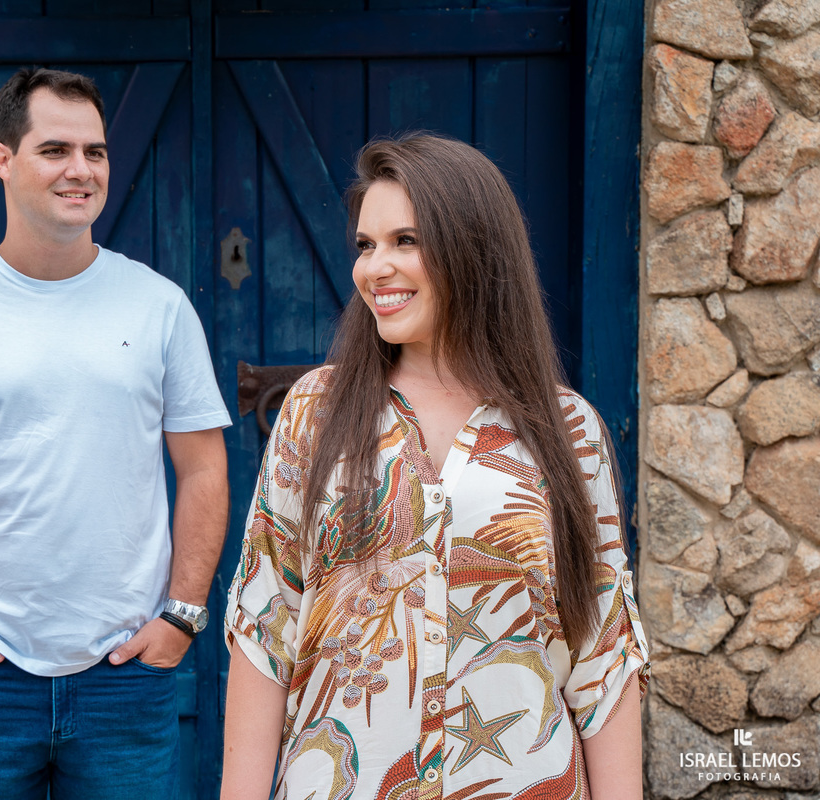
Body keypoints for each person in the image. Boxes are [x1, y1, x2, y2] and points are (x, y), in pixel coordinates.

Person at [220, 134, 649, 800]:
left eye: (405, 241)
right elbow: (263, 634)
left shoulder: (570, 432)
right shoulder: (315, 414)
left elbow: (604, 658)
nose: (374, 268)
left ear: (473, 247)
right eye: (366, 245)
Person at [0, 67, 231, 800]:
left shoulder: (159, 307)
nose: (81, 170)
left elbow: (204, 468)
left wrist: (182, 616)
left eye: (96, 152)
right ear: (3, 159)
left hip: (125, 675)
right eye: (55, 149)